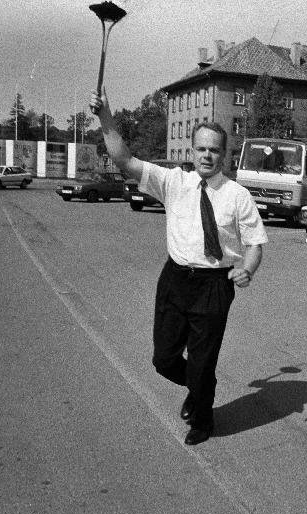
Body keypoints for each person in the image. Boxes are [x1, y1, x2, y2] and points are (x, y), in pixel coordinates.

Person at [90, 89, 268, 445]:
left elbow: (255, 243)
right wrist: (105, 118)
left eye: (214, 149)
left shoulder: (237, 195)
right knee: (164, 359)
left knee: (202, 364)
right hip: (174, 280)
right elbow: (125, 160)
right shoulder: (174, 182)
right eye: (201, 148)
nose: (206, 155)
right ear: (191, 151)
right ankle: (200, 386)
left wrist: (248, 268)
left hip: (214, 285)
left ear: (224, 154)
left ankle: (203, 419)